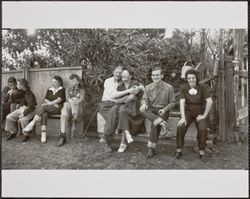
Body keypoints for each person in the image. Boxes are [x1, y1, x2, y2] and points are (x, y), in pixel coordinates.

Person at [98, 66, 141, 152]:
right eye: (116, 72)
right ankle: (108, 144)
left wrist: (139, 88)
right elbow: (114, 95)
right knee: (113, 117)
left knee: (116, 114)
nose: (118, 74)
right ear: (113, 72)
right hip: (106, 104)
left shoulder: (123, 82)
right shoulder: (108, 81)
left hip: (117, 104)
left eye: (120, 73)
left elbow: (139, 87)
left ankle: (106, 136)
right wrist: (129, 91)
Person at [175, 69, 213, 162]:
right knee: (180, 126)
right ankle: (179, 150)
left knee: (203, 128)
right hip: (188, 113)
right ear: (187, 79)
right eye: (189, 78)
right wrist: (183, 118)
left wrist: (204, 115)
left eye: (193, 78)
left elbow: (209, 101)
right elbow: (181, 103)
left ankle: (201, 152)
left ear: (196, 78)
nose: (191, 80)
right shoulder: (183, 88)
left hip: (200, 113)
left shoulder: (203, 87)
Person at [140, 67, 176, 158]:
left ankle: (151, 149)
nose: (155, 77)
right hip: (151, 110)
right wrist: (144, 104)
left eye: (157, 75)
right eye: (153, 75)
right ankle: (161, 122)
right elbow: (144, 99)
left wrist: (164, 109)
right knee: (142, 109)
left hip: (162, 111)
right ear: (151, 76)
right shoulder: (147, 87)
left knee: (155, 124)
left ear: (162, 76)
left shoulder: (169, 88)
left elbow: (173, 102)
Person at [23, 76, 66, 143]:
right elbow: (45, 99)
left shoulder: (62, 89)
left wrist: (49, 104)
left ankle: (32, 124)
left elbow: (59, 100)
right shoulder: (49, 89)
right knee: (44, 114)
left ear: (59, 83)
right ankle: (43, 136)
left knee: (43, 106)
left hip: (58, 108)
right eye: (52, 81)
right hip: (51, 107)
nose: (53, 83)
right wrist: (52, 104)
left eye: (55, 82)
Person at [115, 69, 145, 152]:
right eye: (122, 74)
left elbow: (131, 98)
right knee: (122, 111)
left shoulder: (134, 83)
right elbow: (117, 100)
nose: (123, 76)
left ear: (130, 76)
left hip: (135, 108)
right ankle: (126, 137)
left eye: (126, 74)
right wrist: (124, 99)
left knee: (122, 111)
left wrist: (123, 99)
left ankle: (123, 142)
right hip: (125, 107)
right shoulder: (120, 86)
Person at [58, 74, 85, 147]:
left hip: (77, 109)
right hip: (69, 108)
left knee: (75, 101)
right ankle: (63, 134)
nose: (71, 83)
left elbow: (81, 99)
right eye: (71, 81)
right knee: (64, 112)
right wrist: (71, 100)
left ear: (78, 82)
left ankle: (74, 121)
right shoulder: (68, 89)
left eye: (73, 81)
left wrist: (76, 100)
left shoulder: (81, 90)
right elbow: (67, 97)